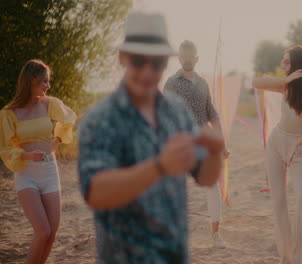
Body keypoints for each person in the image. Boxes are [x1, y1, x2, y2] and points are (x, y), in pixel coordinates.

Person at [78, 12, 224, 263]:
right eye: (138, 60)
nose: (147, 72)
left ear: (166, 63)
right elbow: (94, 192)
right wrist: (159, 166)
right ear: (122, 58)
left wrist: (215, 152)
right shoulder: (100, 118)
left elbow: (206, 177)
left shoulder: (177, 112)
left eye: (156, 63)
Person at [252, 45, 302, 264]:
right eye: (282, 61)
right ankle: (286, 257)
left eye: (286, 61)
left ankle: (300, 252)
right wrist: (285, 80)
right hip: (275, 144)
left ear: (297, 64)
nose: (282, 64)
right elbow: (256, 83)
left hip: (299, 149)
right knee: (279, 202)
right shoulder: (285, 86)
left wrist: (297, 144)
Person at [0, 59, 76, 264]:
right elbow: (5, 148)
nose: (48, 86)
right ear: (32, 80)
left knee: (51, 235)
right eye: (44, 82)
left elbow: (69, 118)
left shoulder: (49, 104)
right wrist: (25, 155)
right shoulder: (8, 113)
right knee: (42, 231)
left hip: (50, 171)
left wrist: (57, 140)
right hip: (27, 173)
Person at [164, 40, 229, 248]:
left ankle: (216, 234)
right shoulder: (171, 83)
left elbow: (212, 113)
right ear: (179, 57)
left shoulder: (203, 83)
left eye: (190, 55)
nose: (187, 58)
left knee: (213, 187)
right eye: (183, 55)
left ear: (196, 58)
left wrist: (222, 143)